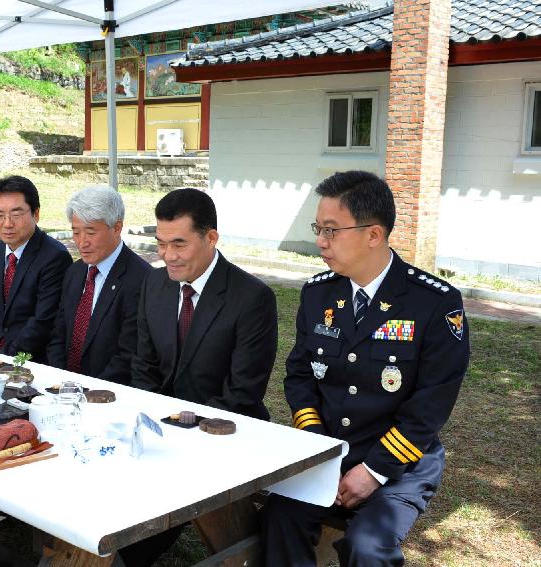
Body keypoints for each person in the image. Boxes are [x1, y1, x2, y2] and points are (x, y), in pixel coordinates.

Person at [260, 171, 470, 566]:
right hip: (329, 451)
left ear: (374, 235)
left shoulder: (434, 303)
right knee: (278, 518)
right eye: (318, 228)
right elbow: (301, 376)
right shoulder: (318, 292)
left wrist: (373, 470)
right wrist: (320, 448)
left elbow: (430, 406)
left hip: (400, 464)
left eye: (332, 230)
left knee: (368, 548)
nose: (320, 241)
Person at [131, 188, 278, 419]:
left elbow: (242, 393)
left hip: (224, 429)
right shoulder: (154, 282)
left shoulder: (252, 298)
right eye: (161, 244)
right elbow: (144, 366)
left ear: (211, 239)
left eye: (179, 245)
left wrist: (185, 426)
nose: (168, 255)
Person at [46, 186, 150, 384]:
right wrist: (61, 382)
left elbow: (128, 355)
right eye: (76, 233)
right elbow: (59, 335)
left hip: (107, 393)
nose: (82, 242)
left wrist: (89, 392)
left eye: (90, 233)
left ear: (117, 228)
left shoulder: (141, 279)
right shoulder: (75, 272)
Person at [0, 175, 72, 363]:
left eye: (16, 214)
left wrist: (4, 359)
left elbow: (42, 322)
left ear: (36, 214)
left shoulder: (54, 256)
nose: (7, 223)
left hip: (32, 360)